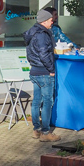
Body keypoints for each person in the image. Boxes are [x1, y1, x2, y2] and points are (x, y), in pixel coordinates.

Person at [24, 9, 61, 142]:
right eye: (51, 19)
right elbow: (44, 53)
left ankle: (36, 130)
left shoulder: (32, 32)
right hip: (44, 72)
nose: (53, 21)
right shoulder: (42, 34)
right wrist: (51, 69)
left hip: (35, 70)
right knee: (47, 102)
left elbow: (31, 53)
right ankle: (45, 133)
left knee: (36, 102)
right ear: (45, 21)